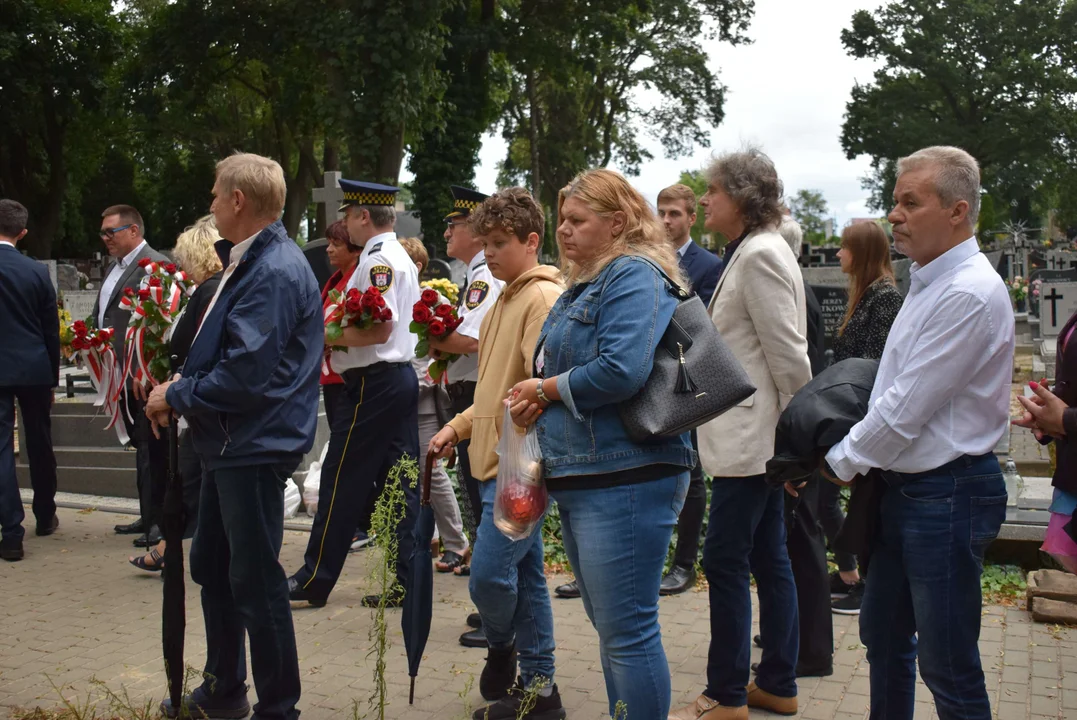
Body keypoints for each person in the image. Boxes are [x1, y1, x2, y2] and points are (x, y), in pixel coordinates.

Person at [822, 146, 1013, 720]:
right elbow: (891, 388)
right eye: (894, 200)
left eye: (910, 202)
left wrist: (834, 464)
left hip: (948, 493)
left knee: (948, 664)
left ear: (958, 211)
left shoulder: (967, 293)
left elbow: (905, 408)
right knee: (883, 639)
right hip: (908, 491)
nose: (894, 214)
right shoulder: (928, 282)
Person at [506, 169, 694, 719]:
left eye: (576, 220)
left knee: (628, 632)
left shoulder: (632, 273)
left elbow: (621, 370)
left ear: (618, 222)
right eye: (561, 218)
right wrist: (545, 392)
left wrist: (546, 388)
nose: (563, 229)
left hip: (629, 474)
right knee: (613, 630)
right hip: (591, 472)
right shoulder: (587, 280)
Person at [145, 153, 322, 720]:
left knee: (253, 579)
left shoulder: (270, 270)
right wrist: (184, 382)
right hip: (233, 442)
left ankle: (278, 707)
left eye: (216, 195)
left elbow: (247, 373)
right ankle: (223, 690)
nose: (213, 204)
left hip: (251, 443)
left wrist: (176, 395)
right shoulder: (250, 262)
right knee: (216, 568)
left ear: (239, 201)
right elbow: (231, 353)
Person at [676, 149, 811, 720]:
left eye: (712, 191)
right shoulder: (749, 251)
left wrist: (800, 448)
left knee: (725, 560)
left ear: (743, 197)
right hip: (752, 442)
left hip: (752, 446)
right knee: (767, 558)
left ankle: (727, 693)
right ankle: (777, 682)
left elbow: (789, 357)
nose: (704, 199)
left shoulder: (758, 255)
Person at [427, 186, 563, 719]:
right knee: (524, 578)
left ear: (532, 242)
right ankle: (541, 690)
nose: (487, 253)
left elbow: (537, 384)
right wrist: (457, 428)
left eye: (499, 242)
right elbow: (491, 387)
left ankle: (504, 646)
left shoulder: (541, 298)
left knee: (488, 575)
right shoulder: (504, 296)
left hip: (520, 469)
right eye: (483, 242)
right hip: (491, 461)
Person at [287, 179, 420, 609]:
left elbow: (378, 326)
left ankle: (314, 578)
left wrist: (324, 336)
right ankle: (406, 580)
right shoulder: (394, 256)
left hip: (373, 383)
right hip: (393, 380)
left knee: (340, 479)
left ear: (365, 216)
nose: (344, 222)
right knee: (400, 482)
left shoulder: (378, 262)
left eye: (348, 215)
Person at [129, 215, 224, 572]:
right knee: (189, 480)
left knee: (190, 480)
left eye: (184, 257)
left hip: (197, 401)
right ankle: (172, 548)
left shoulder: (210, 291)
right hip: (190, 397)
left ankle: (176, 549)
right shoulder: (206, 290)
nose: (180, 265)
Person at [822, 220, 903, 614]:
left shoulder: (885, 297)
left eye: (844, 247)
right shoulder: (867, 293)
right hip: (848, 412)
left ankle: (857, 577)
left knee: (833, 500)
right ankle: (852, 573)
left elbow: (872, 364)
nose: (838, 253)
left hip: (859, 416)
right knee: (830, 501)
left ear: (864, 252)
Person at [430, 185, 504, 571]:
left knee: (480, 492)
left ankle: (489, 582)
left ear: (476, 231)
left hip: (475, 393)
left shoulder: (482, 280)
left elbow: (472, 341)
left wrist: (431, 338)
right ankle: (485, 575)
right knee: (475, 491)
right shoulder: (478, 275)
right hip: (469, 391)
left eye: (453, 225)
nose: (446, 233)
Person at [657, 182, 724, 596]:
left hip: (687, 377)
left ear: (691, 217)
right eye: (661, 212)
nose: (666, 221)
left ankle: (684, 564)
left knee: (691, 472)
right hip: (650, 379)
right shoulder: (648, 259)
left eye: (674, 214)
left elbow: (709, 328)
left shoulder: (708, 265)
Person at [92, 204, 168, 547]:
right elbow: (105, 313)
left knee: (153, 448)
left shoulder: (156, 264)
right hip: (117, 371)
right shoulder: (116, 266)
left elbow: (160, 321)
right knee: (140, 445)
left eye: (112, 232)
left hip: (142, 373)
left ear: (133, 231)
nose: (105, 238)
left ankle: (160, 522)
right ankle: (146, 513)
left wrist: (147, 367)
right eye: (104, 232)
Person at [397, 235, 470, 574]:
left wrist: (420, 381)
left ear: (417, 267)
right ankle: (430, 535)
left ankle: (456, 542)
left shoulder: (434, 301)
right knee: (412, 473)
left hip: (423, 400)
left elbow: (440, 352)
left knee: (432, 469)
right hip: (398, 399)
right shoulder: (397, 298)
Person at [0, 199, 59, 562]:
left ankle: (10, 531)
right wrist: (52, 376)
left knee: (2, 447)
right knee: (40, 441)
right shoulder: (36, 272)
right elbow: (50, 329)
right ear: (22, 233)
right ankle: (44, 514)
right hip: (34, 366)